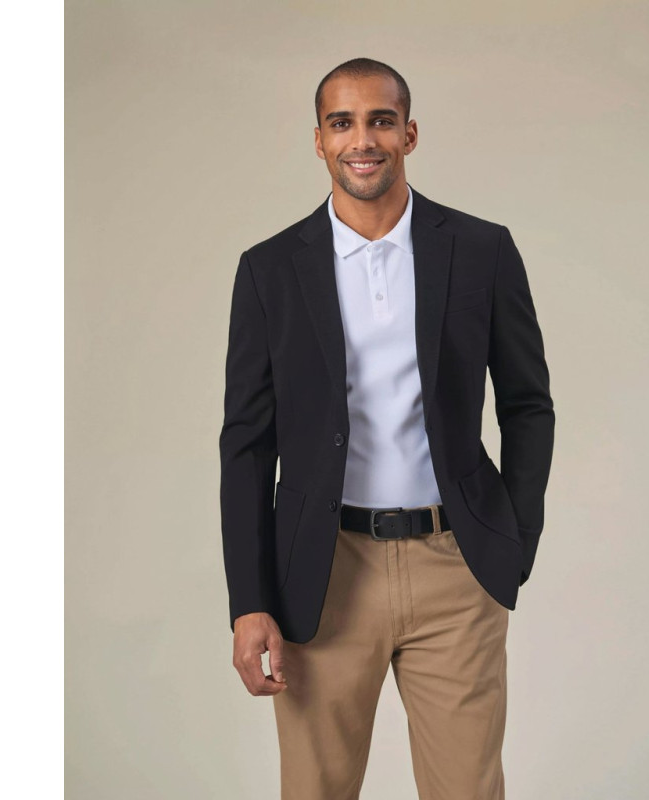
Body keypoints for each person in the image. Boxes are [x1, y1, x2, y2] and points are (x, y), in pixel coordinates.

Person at [219, 57, 555, 800]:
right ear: (319, 140)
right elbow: (245, 446)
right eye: (342, 122)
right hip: (322, 574)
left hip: (455, 566)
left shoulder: (481, 250)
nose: (362, 139)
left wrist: (515, 539)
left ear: (409, 133)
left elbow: (528, 403)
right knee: (316, 790)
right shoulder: (270, 270)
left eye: (380, 120)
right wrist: (249, 600)